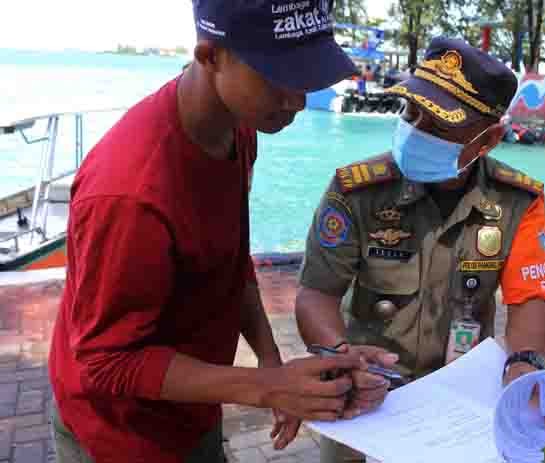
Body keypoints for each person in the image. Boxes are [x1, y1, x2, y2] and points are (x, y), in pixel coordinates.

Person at [47, 1, 377, 462]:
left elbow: (228, 257)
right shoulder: (130, 193)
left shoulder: (238, 127)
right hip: (120, 432)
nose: (298, 100)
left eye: (306, 75)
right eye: (277, 76)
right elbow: (106, 361)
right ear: (210, 56)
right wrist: (265, 389)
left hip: (192, 405)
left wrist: (269, 358)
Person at [295, 37, 545, 463]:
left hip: (458, 404)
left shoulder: (518, 202)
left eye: (438, 125)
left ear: (488, 139)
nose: (415, 129)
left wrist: (524, 366)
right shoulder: (357, 192)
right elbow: (317, 293)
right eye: (410, 111)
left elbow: (531, 298)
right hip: (365, 393)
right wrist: (340, 355)